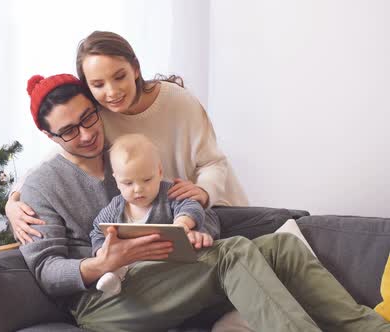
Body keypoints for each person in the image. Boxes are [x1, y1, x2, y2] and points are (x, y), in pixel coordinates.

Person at [19, 72, 390, 331]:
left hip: (165, 278)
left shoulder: (130, 156)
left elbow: (198, 213)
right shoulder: (41, 186)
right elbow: (47, 271)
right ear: (50, 136)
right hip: (105, 302)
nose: (86, 134)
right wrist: (97, 264)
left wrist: (196, 227)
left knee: (281, 247)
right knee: (233, 253)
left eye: (89, 118)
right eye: (69, 130)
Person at [8, 30, 246, 244]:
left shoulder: (177, 101)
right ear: (88, 87)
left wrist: (204, 192)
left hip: (214, 209)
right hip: (171, 226)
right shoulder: (96, 119)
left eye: (119, 76)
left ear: (135, 68)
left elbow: (213, 161)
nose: (112, 92)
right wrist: (13, 200)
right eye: (98, 84)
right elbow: (58, 154)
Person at [90, 133, 218, 299]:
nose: (138, 189)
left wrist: (182, 223)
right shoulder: (115, 207)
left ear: (159, 172)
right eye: (128, 183)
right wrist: (101, 250)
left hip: (166, 264)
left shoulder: (169, 194)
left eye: (147, 180)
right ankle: (114, 279)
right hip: (131, 266)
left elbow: (191, 205)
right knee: (117, 263)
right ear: (116, 180)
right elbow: (97, 230)